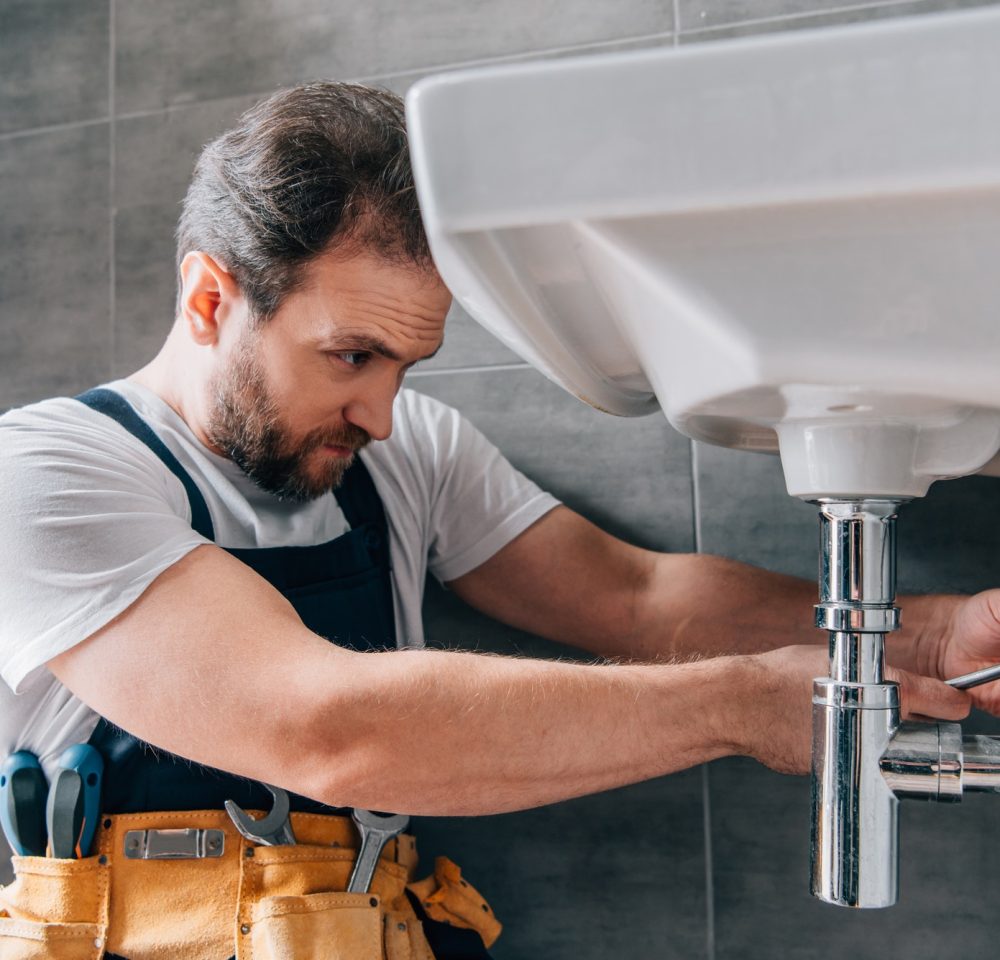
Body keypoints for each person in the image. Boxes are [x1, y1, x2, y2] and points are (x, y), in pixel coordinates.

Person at [0, 80, 996, 960]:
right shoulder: (47, 473)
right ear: (211, 296)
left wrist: (936, 631)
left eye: (405, 367)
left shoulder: (405, 445)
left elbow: (635, 598)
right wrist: (735, 706)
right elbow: (322, 730)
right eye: (350, 357)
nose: (381, 414)